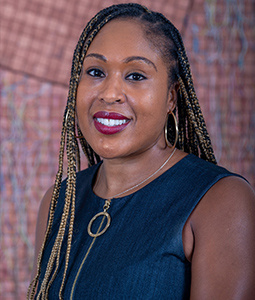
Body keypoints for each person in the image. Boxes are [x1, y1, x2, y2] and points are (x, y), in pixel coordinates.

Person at [27, 3, 255, 299]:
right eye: (95, 71)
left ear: (171, 98)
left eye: (135, 76)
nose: (109, 93)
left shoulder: (220, 201)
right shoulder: (59, 202)